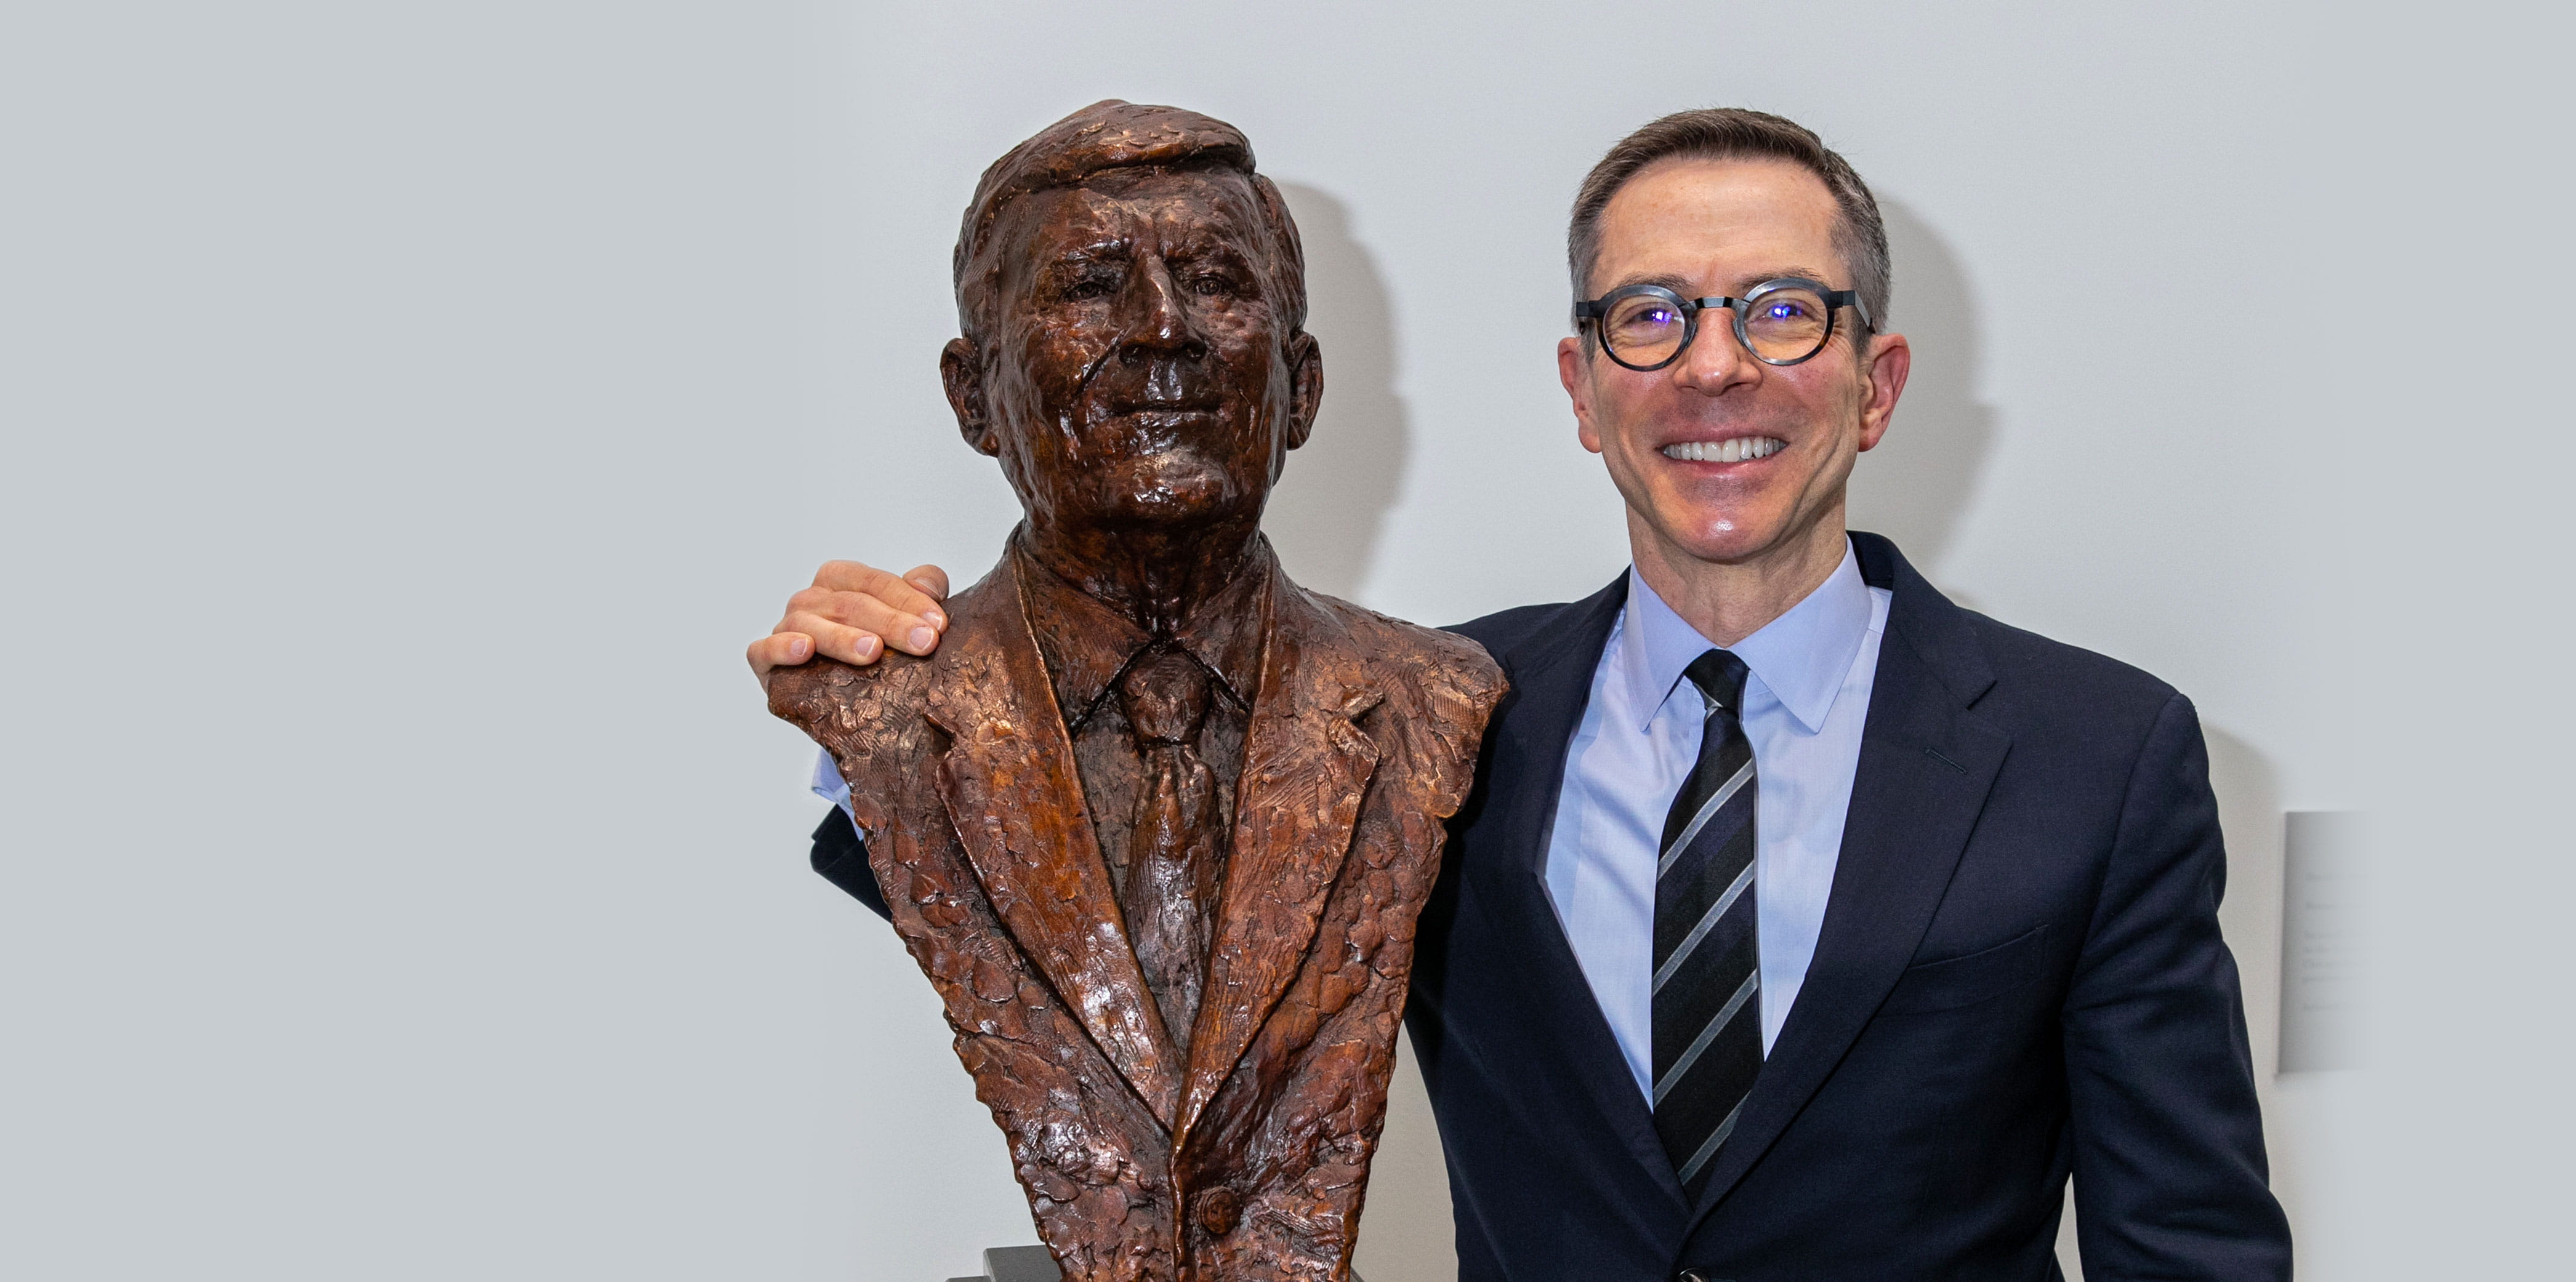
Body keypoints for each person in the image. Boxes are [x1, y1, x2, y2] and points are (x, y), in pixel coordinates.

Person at [760, 108, 2290, 1281]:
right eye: (1651, 315)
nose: (1714, 371)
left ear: (1874, 380)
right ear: (1582, 387)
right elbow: (1147, 929)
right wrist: (890, 709)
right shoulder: (1428, 718)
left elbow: (2193, 1251)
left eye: (1779, 310)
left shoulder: (2101, 752)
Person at [763, 99, 1503, 1280]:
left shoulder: (1438, 701)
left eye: (1215, 280)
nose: (1164, 329)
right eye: (1091, 285)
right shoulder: (886, 706)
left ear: (1302, 388)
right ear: (971, 395)